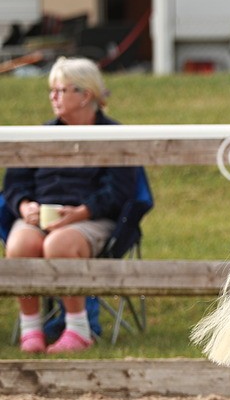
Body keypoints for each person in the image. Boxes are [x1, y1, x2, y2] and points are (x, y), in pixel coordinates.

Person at [3, 57, 137, 353]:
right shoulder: (39, 135)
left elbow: (121, 191)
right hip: (41, 215)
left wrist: (81, 212)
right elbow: (14, 183)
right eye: (52, 90)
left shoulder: (114, 135)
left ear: (85, 95)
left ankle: (78, 330)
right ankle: (31, 330)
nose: (53, 97)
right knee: (19, 245)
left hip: (91, 218)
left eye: (60, 90)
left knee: (58, 245)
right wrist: (25, 206)